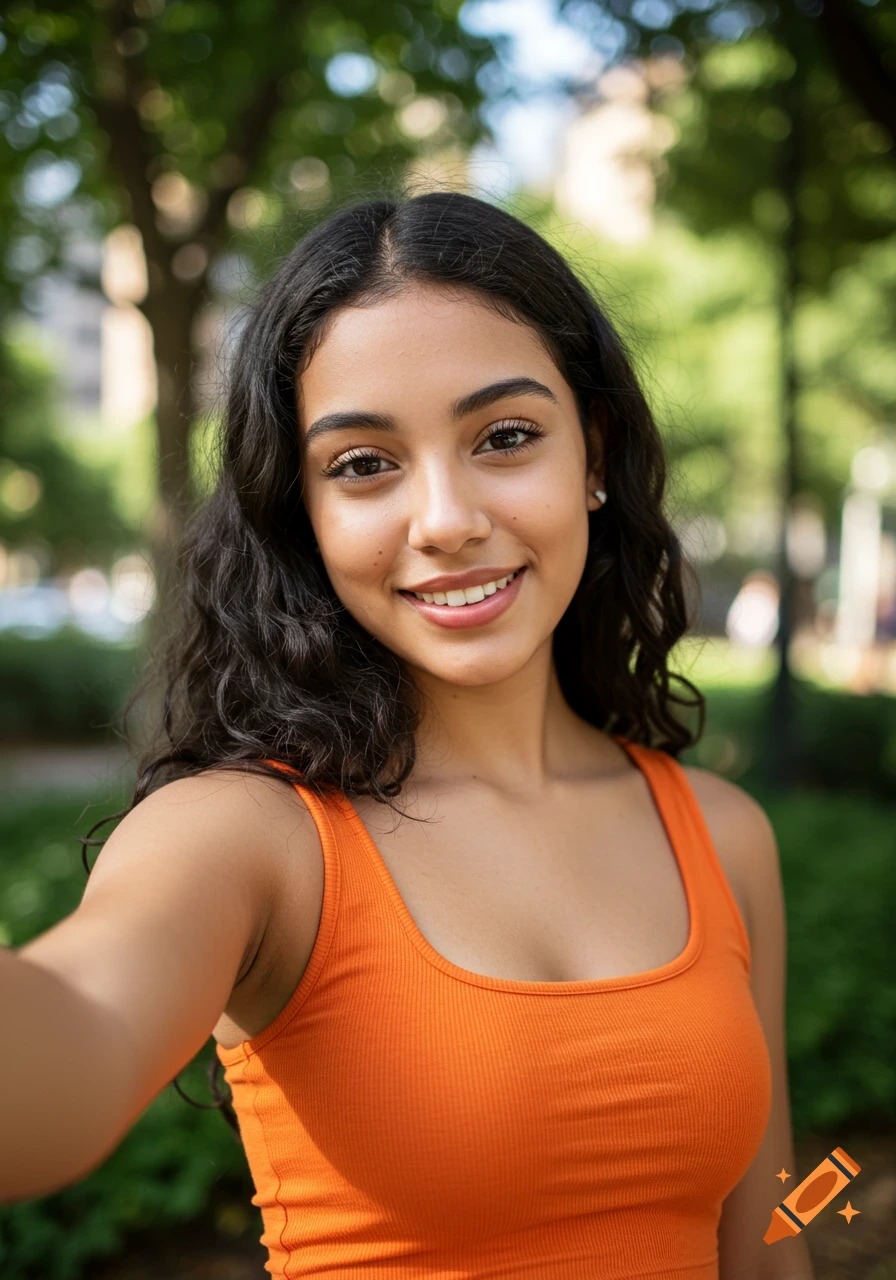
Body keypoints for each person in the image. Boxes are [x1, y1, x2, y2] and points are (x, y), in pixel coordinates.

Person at [1, 191, 814, 1280]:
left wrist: (819, 1216)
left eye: (506, 436)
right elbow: (66, 1048)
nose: (443, 517)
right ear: (303, 512)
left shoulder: (722, 832)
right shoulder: (247, 839)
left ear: (593, 452)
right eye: (362, 463)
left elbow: (766, 1232)